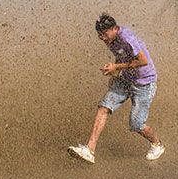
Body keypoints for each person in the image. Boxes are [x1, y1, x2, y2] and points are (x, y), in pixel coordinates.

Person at [68, 13, 164, 164]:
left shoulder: (127, 38)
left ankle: (157, 144)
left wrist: (117, 66)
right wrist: (115, 72)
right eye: (100, 36)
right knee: (103, 107)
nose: (103, 39)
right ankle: (89, 150)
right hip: (126, 78)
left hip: (144, 82)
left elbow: (143, 60)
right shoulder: (110, 40)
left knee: (136, 124)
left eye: (105, 35)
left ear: (114, 28)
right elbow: (121, 56)